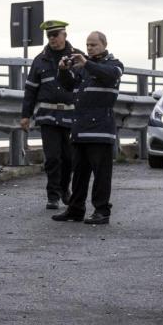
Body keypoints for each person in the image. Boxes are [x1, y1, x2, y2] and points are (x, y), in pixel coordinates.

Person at [52, 31, 124, 225]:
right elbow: (68, 86)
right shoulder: (83, 68)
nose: (90, 48)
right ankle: (76, 209)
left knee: (101, 174)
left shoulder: (113, 65)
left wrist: (86, 63)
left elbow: (108, 75)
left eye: (94, 45)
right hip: (80, 128)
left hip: (100, 130)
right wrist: (63, 71)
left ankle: (101, 211)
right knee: (79, 173)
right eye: (88, 45)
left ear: (104, 44)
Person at [21, 20, 83, 209]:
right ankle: (53, 195)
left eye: (56, 34)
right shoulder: (40, 60)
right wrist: (26, 115)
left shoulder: (78, 57)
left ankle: (65, 189)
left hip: (71, 116)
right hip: (48, 116)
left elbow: (86, 83)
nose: (53, 39)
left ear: (65, 35)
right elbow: (31, 90)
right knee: (53, 158)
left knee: (69, 159)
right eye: (49, 36)